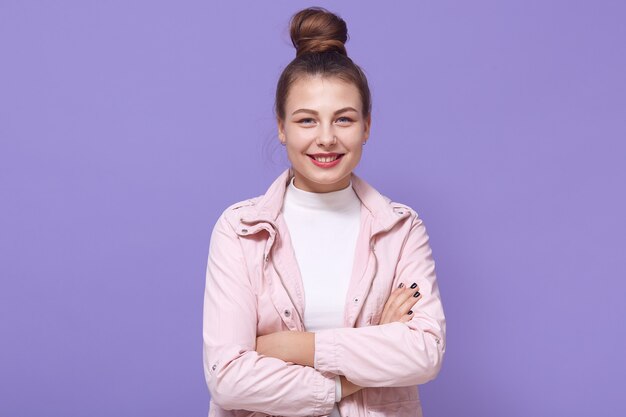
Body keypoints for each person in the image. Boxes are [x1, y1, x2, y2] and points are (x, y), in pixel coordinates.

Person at [202, 7, 446, 417]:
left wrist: (299, 347)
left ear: (367, 126)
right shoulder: (241, 230)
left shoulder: (401, 229)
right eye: (307, 120)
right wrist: (361, 361)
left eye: (344, 119)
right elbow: (228, 379)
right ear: (282, 127)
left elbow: (425, 353)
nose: (327, 138)